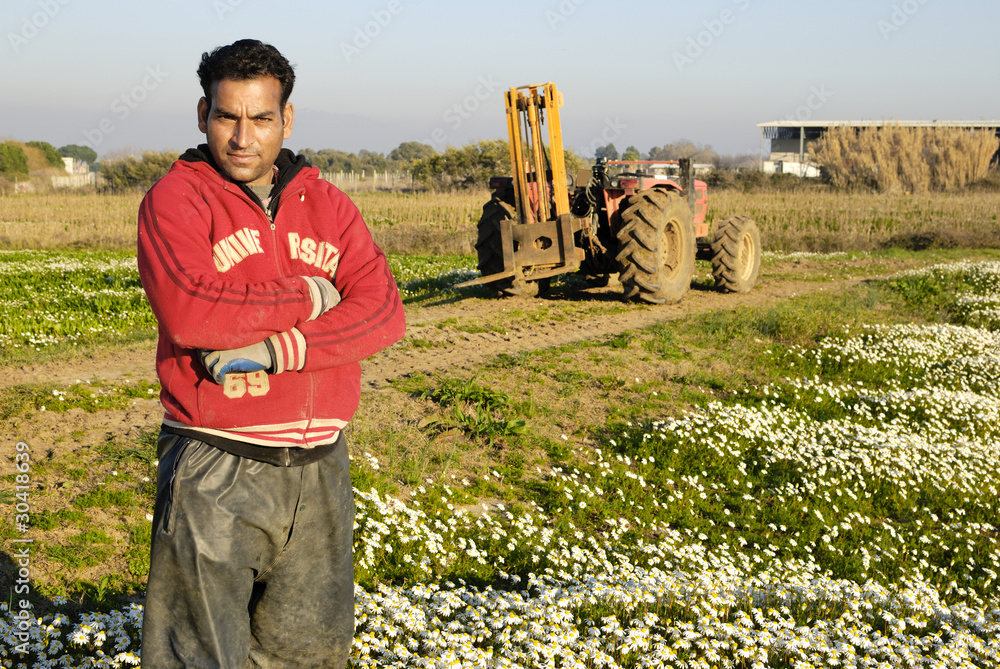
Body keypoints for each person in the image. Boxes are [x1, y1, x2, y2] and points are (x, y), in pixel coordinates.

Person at [136, 39, 405, 668]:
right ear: (203, 113)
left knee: (309, 655)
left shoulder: (331, 205)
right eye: (227, 116)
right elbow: (192, 308)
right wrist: (311, 293)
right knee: (198, 657)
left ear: (287, 119)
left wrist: (278, 347)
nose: (241, 136)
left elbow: (383, 311)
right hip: (215, 463)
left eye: (260, 118)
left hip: (320, 467)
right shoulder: (176, 201)